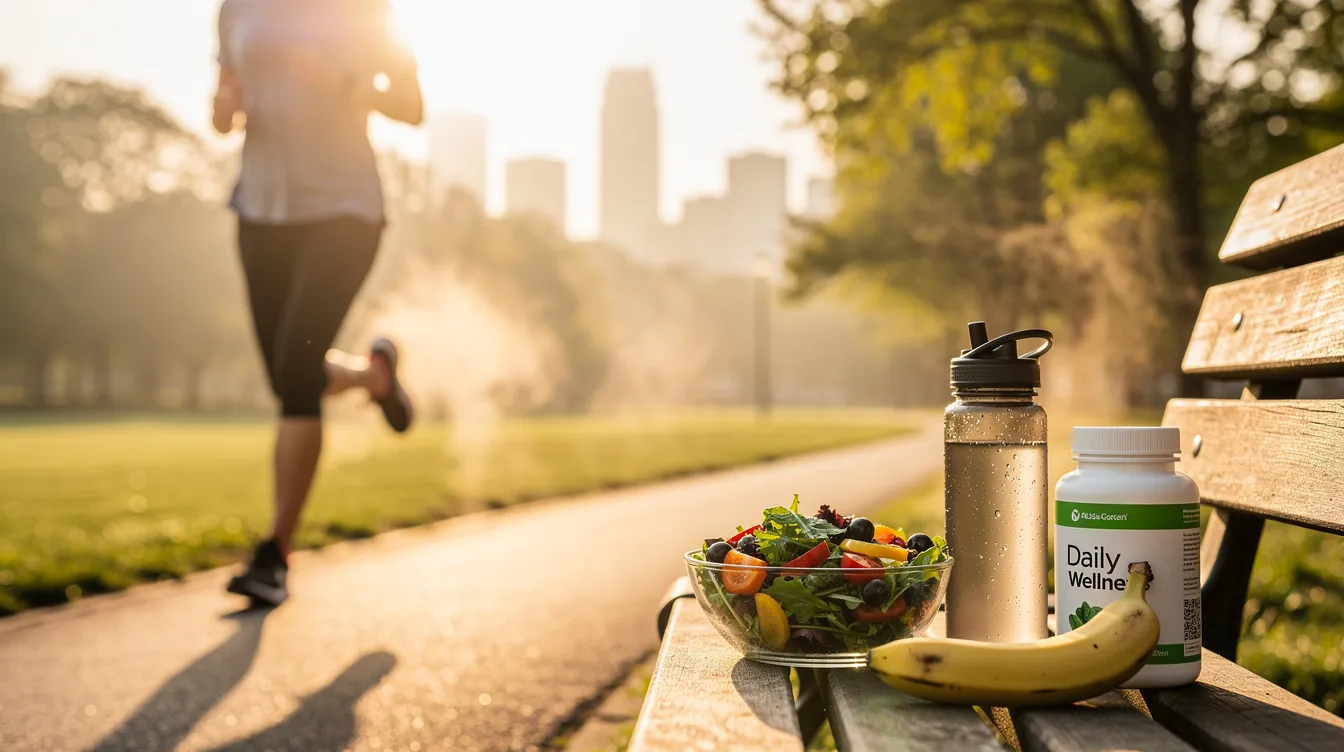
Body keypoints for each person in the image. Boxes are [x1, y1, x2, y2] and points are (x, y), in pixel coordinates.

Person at [212, 0, 421, 607]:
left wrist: (344, 84)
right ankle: (373, 374)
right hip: (260, 210)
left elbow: (411, 107)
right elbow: (225, 107)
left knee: (297, 375)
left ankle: (275, 554)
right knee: (286, 375)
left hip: (343, 209)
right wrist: (225, 111)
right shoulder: (236, 8)